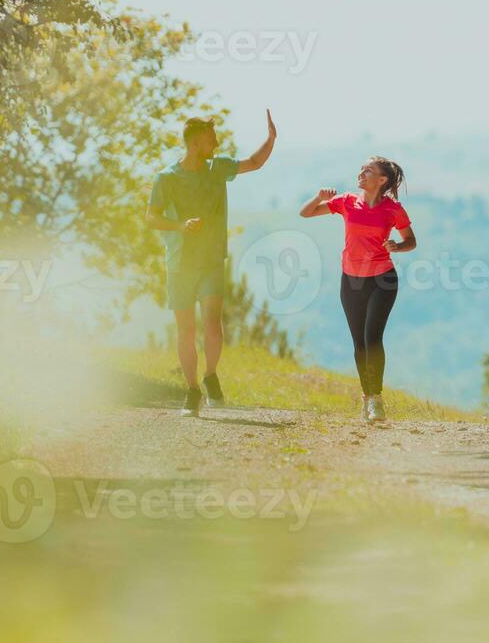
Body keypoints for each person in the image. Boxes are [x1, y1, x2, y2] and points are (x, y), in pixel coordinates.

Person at [146, 110, 278, 416]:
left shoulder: (218, 168)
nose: (216, 143)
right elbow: (151, 217)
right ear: (194, 144)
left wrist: (270, 139)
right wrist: (180, 225)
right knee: (186, 330)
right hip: (180, 263)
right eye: (211, 139)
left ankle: (210, 375)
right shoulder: (166, 178)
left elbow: (254, 163)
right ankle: (192, 391)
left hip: (211, 261)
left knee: (212, 324)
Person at [299, 157, 416, 423]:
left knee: (372, 338)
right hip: (351, 281)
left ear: (382, 180)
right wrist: (318, 196)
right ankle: (367, 397)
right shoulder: (347, 201)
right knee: (359, 345)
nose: (362, 173)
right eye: (362, 169)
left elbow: (411, 240)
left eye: (369, 171)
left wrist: (397, 246)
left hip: (382, 280)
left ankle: (376, 400)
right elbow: (305, 213)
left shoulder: (393, 209)